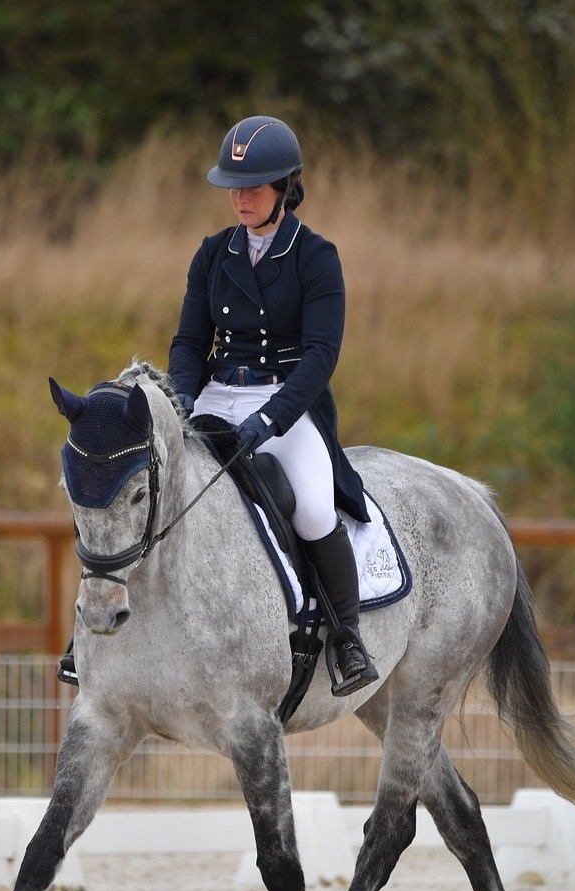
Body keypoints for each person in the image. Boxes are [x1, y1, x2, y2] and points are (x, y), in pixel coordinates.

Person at [167, 114, 378, 695]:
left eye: (254, 187)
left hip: (285, 400)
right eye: (233, 187)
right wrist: (181, 396)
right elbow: (189, 342)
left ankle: (347, 637)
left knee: (312, 509)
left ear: (286, 187)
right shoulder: (212, 255)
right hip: (215, 393)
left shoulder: (316, 256)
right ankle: (101, 632)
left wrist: (273, 417)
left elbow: (321, 354)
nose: (240, 198)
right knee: (155, 488)